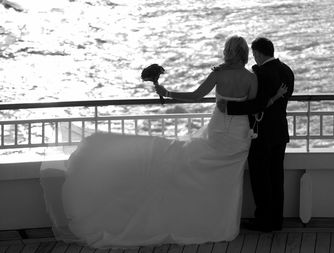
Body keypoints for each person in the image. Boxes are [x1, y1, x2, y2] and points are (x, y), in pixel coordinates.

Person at [40, 35, 257, 248]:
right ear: (245, 53)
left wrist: (167, 92)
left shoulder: (218, 75)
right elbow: (254, 107)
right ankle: (223, 227)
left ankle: (202, 223)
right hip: (239, 136)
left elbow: (195, 96)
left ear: (228, 52)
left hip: (217, 132)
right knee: (227, 181)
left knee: (196, 171)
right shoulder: (251, 78)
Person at [219, 37, 294, 232]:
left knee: (261, 179)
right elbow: (280, 100)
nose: (254, 58)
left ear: (259, 53)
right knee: (277, 178)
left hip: (261, 134)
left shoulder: (260, 73)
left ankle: (263, 221)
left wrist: (230, 107)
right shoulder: (287, 70)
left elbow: (258, 104)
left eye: (254, 54)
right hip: (280, 131)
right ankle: (276, 220)